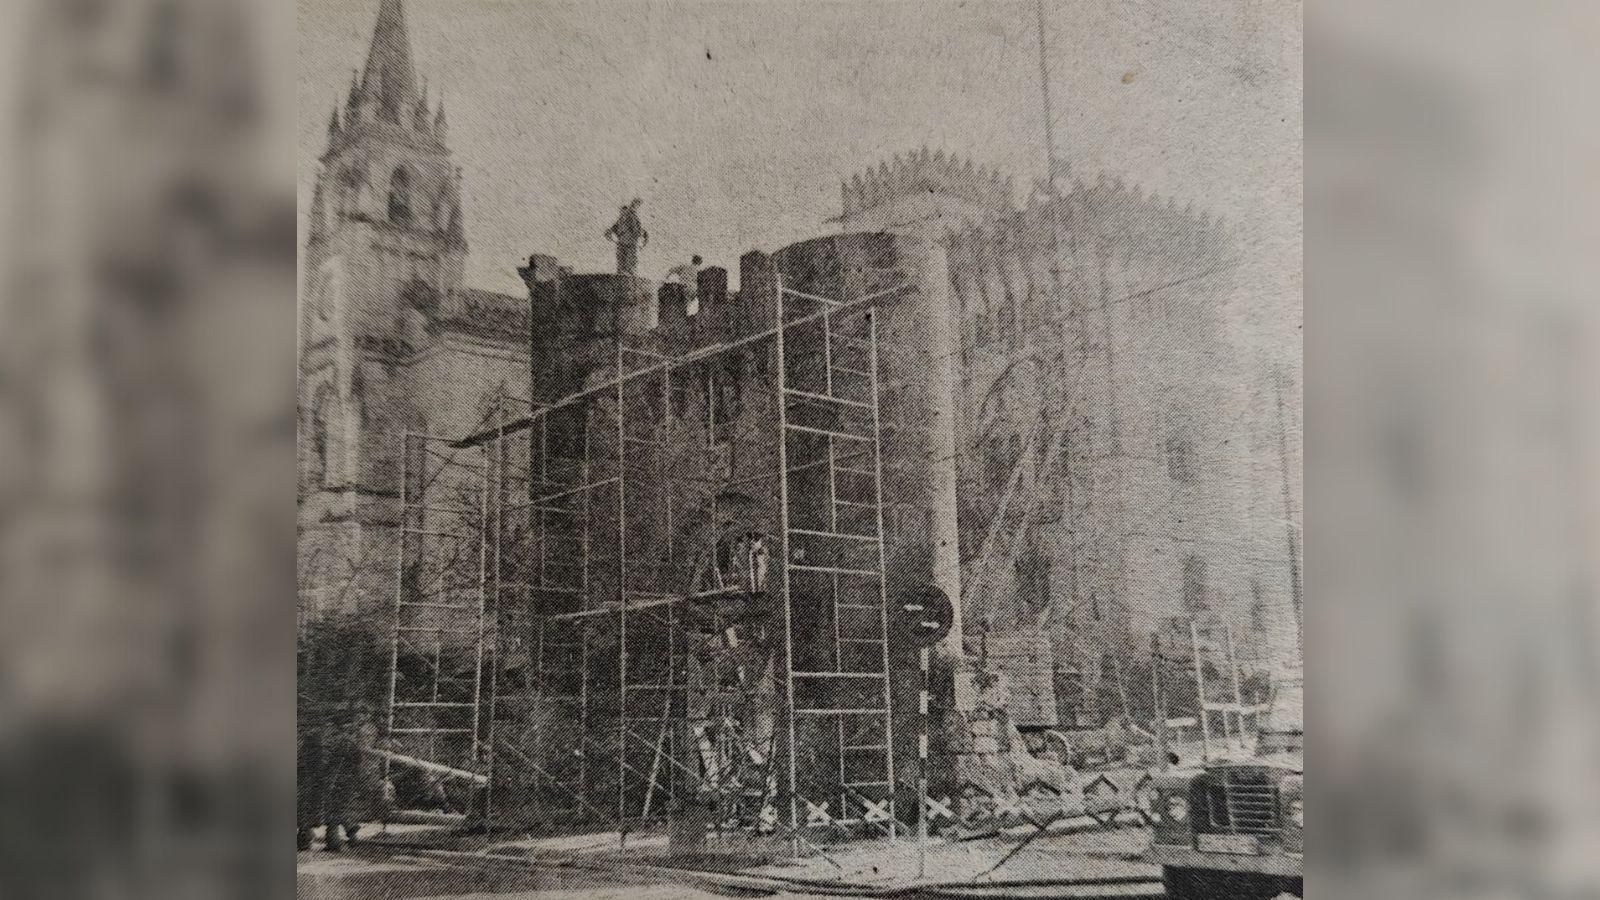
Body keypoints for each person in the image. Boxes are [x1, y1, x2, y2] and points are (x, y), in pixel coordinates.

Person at [603, 198, 648, 276]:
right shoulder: (620, 221)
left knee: (630, 264)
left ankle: (629, 274)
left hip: (631, 244)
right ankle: (622, 274)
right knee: (621, 263)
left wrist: (641, 240)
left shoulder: (633, 218)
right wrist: (609, 233)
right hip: (622, 243)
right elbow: (612, 229)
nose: (623, 213)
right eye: (622, 212)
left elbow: (639, 231)